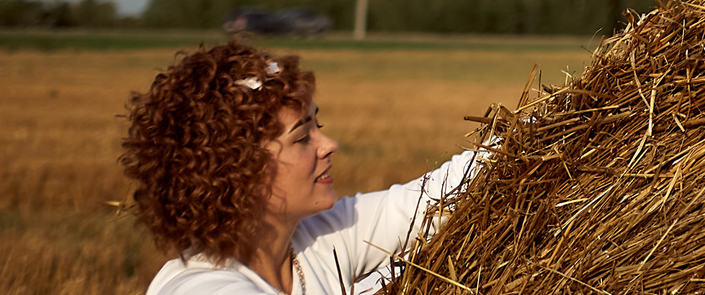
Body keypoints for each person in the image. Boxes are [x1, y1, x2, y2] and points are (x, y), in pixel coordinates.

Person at [123, 42, 481, 295]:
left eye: (316, 126)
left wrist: (532, 129)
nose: (329, 145)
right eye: (301, 138)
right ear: (239, 170)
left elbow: (439, 195)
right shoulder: (203, 289)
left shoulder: (314, 242)